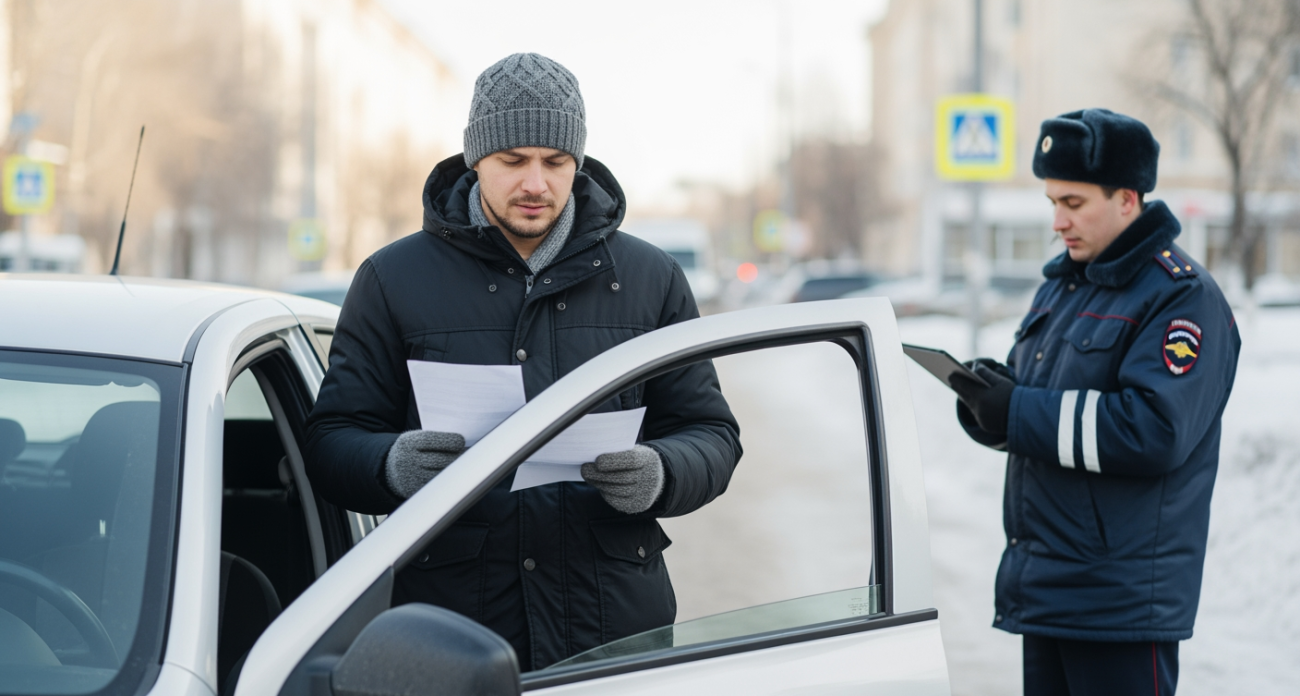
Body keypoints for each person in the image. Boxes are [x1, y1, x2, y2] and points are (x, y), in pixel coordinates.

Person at [304, 53, 741, 670]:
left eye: (555, 162)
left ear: (577, 163)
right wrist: (391, 464)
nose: (535, 183)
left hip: (614, 632)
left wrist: (662, 471)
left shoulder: (651, 279)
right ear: (476, 157)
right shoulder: (391, 279)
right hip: (448, 636)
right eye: (513, 161)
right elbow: (329, 441)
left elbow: (713, 434)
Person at [950, 109, 1240, 696]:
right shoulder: (1063, 285)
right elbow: (1046, 409)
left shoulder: (1181, 297)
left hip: (1120, 605)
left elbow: (1153, 429)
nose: (1058, 221)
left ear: (1128, 198)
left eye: (1074, 204)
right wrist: (989, 402)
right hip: (1051, 589)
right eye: (1052, 201)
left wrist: (1019, 411)